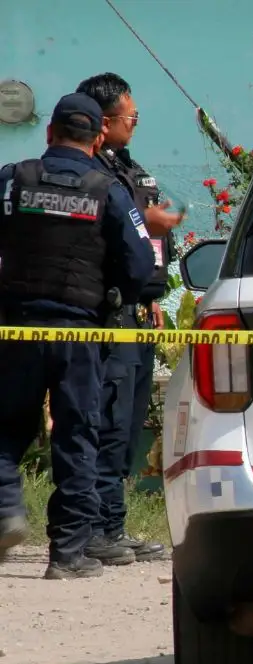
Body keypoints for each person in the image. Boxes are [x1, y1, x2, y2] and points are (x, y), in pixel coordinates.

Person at [0, 92, 156, 578]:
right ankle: (67, 556)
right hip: (77, 332)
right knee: (77, 436)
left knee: (5, 428)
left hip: (16, 328)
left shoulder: (12, 178)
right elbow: (140, 263)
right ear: (96, 140)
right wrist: (113, 293)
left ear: (49, 134)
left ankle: (6, 508)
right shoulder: (108, 190)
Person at [77, 72, 181, 564]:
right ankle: (100, 528)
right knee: (111, 420)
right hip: (109, 316)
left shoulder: (128, 171)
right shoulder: (91, 177)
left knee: (131, 418)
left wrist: (154, 295)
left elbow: (151, 241)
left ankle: (113, 526)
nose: (135, 124)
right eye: (130, 117)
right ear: (103, 120)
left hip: (140, 314)